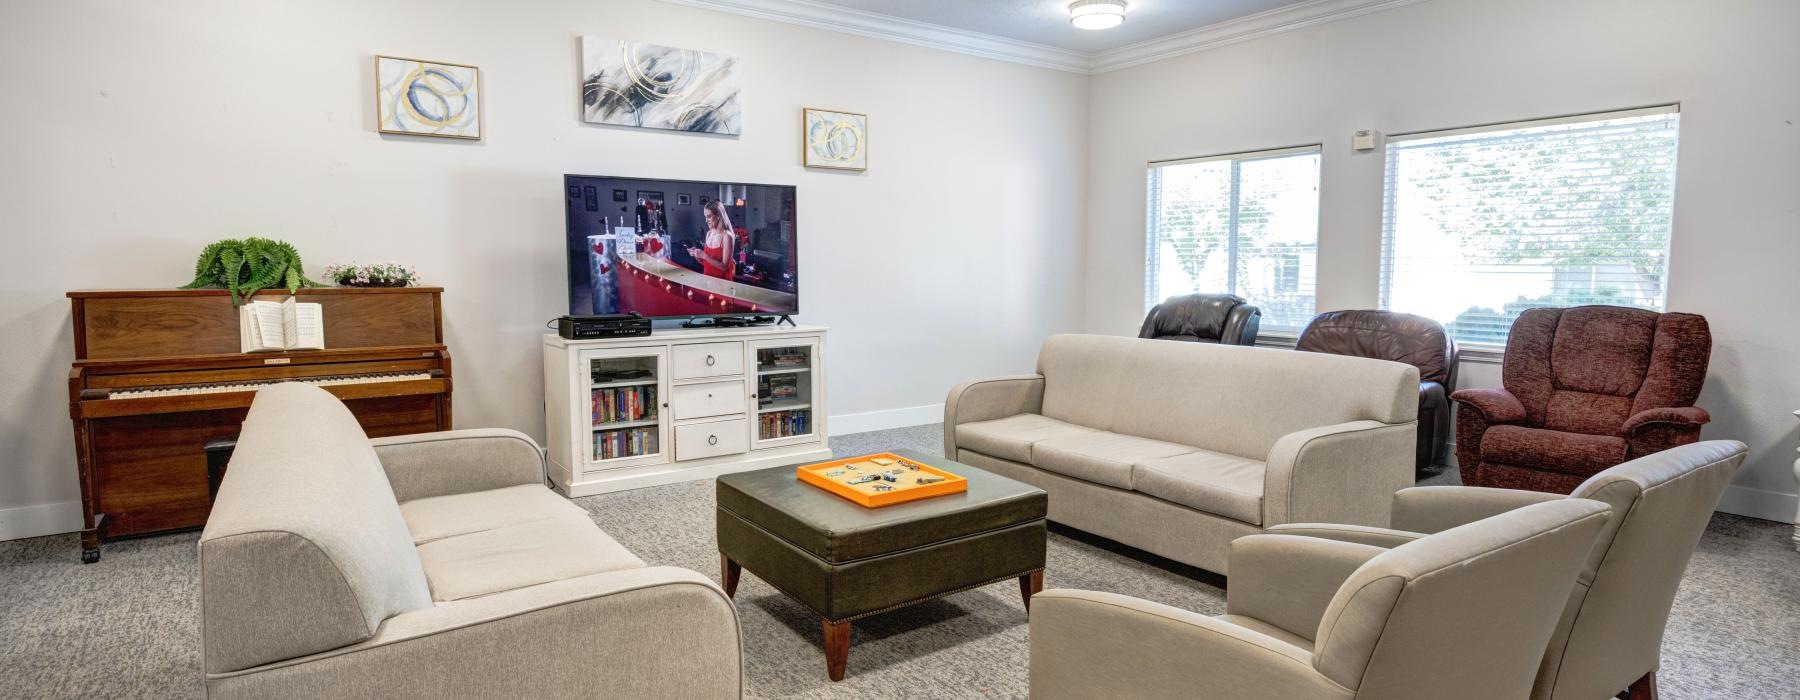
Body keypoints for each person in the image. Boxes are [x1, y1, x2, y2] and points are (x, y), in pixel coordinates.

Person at [687, 199, 736, 279]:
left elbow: (724, 267)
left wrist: (704, 255)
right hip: (707, 281)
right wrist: (697, 255)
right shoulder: (709, 234)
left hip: (722, 284)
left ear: (718, 216)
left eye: (709, 216)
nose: (706, 221)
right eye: (705, 217)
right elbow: (706, 263)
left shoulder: (727, 236)